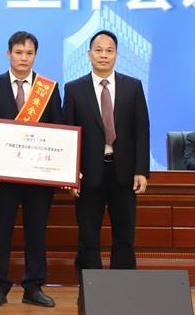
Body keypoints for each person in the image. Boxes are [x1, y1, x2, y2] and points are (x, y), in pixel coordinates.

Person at [0, 32, 63, 308]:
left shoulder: (48, 89)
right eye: (18, 52)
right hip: (4, 174)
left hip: (39, 174)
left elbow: (58, 130)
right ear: (8, 54)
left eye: (29, 53)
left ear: (35, 56)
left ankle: (33, 286)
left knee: (36, 230)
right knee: (0, 230)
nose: (23, 58)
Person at [61, 30, 149, 283]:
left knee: (125, 234)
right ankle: (90, 288)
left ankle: (124, 288)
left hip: (124, 173)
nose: (103, 55)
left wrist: (141, 170)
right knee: (88, 236)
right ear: (89, 54)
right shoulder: (74, 89)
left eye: (109, 51)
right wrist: (70, 174)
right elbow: (68, 133)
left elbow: (142, 130)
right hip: (88, 174)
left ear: (116, 55)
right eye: (98, 50)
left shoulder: (133, 86)